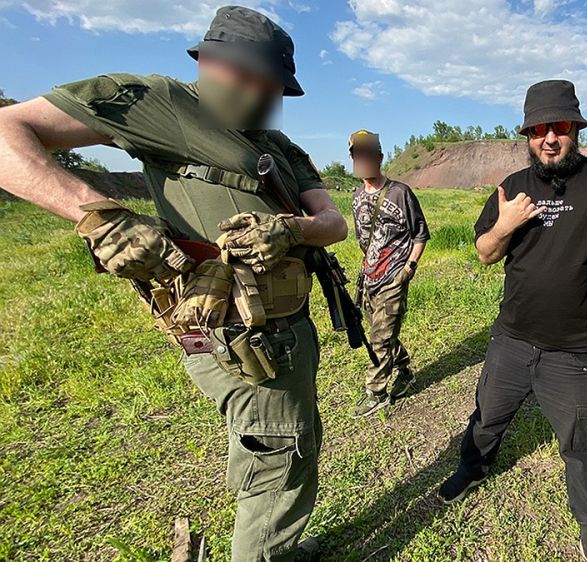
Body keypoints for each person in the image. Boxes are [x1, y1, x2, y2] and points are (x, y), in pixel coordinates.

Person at [0, 6, 347, 561]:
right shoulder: (160, 102)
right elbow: (6, 132)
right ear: (207, 60)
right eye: (247, 77)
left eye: (273, 86)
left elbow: (333, 222)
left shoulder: (278, 146)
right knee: (279, 457)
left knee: (285, 444)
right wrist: (98, 216)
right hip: (238, 331)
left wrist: (291, 229)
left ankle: (272, 546)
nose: (260, 93)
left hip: (286, 325)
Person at [437, 80, 587, 562]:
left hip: (574, 350)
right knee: (487, 417)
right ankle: (473, 468)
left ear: (575, 129)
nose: (549, 138)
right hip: (511, 339)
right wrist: (505, 224)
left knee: (581, 441)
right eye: (538, 130)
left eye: (559, 127)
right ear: (527, 135)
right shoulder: (512, 187)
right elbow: (485, 253)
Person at [348, 130, 430, 417]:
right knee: (380, 332)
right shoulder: (356, 196)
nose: (363, 160)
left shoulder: (400, 193)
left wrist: (408, 268)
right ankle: (404, 370)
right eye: (358, 155)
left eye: (369, 154)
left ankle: (376, 392)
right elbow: (363, 240)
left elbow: (420, 234)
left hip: (395, 277)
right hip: (369, 277)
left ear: (380, 157)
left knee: (380, 339)